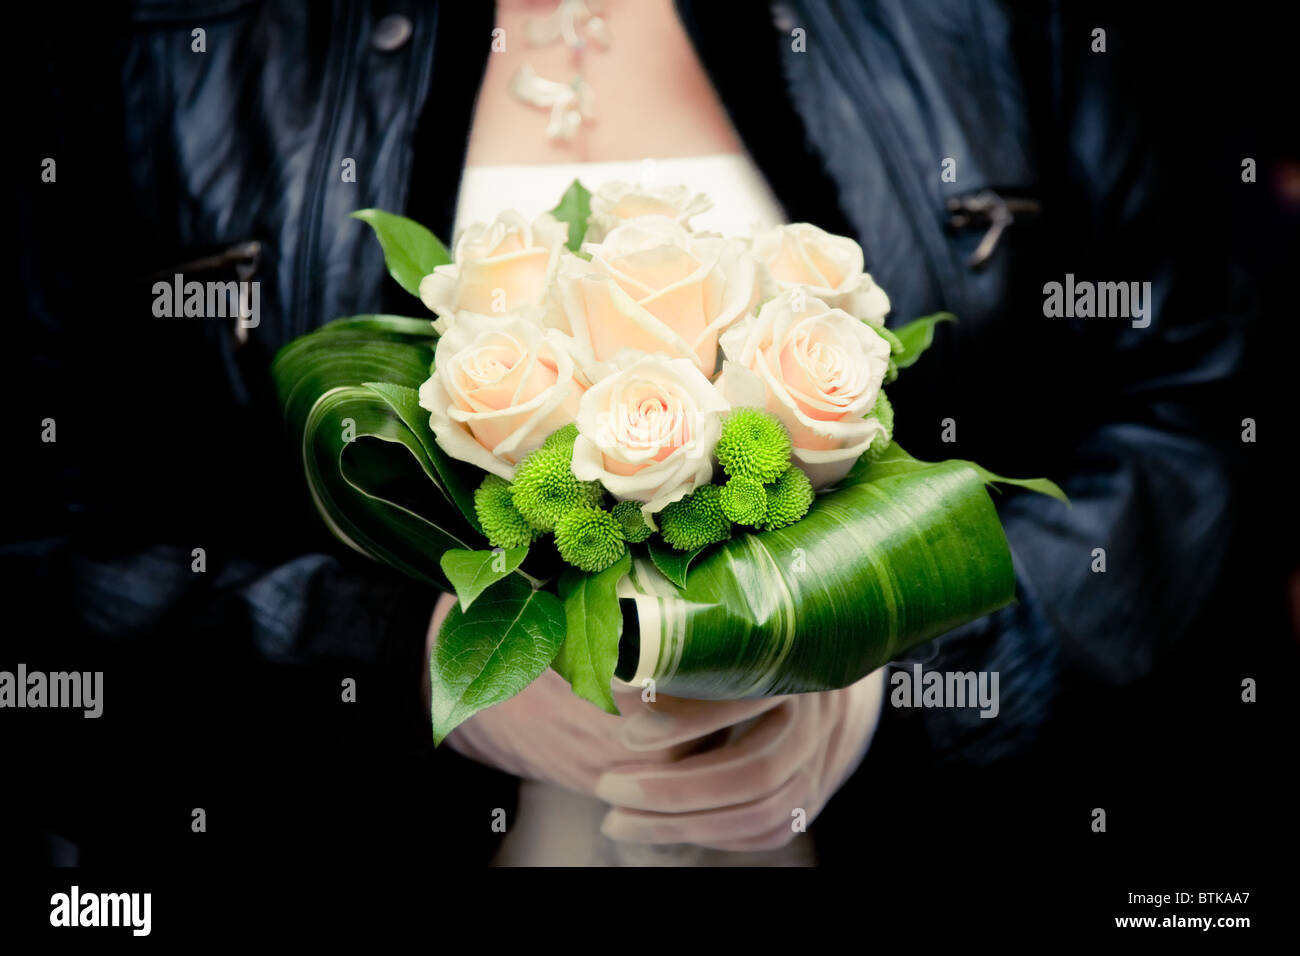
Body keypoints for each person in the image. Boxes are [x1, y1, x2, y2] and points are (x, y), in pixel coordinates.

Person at [10, 0, 1246, 868]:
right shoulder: (155, 38)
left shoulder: (973, 15)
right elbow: (41, 534)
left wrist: (903, 671)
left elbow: (1189, 406)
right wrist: (413, 660)